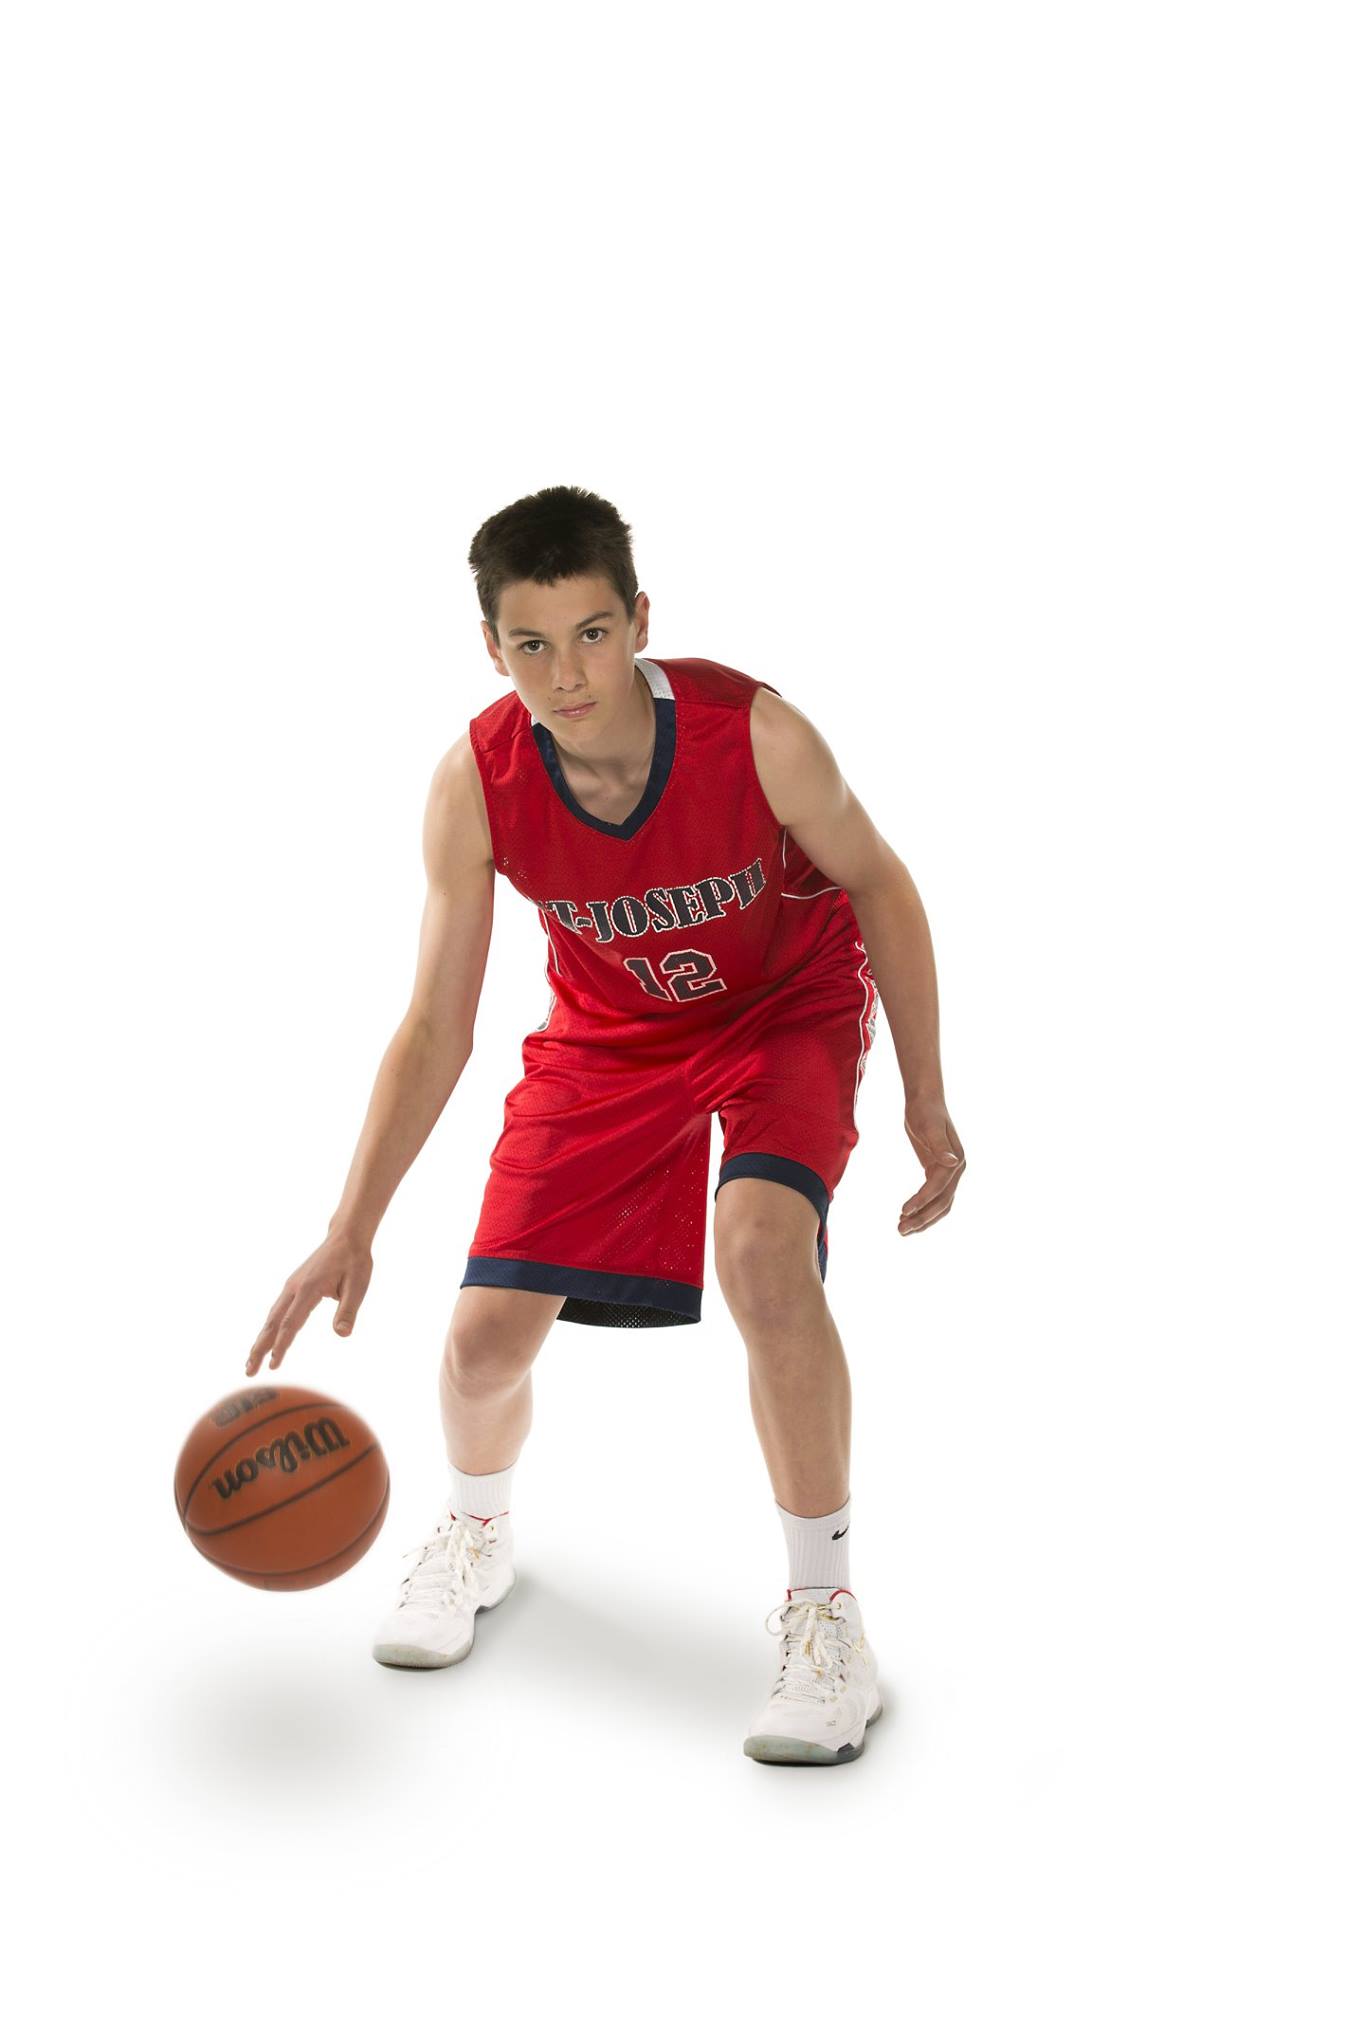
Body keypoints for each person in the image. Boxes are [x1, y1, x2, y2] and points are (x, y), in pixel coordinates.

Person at [245, 483, 964, 1765]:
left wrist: (925, 1096)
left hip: (782, 1008)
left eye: (590, 633)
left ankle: (826, 1616)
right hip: (609, 1037)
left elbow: (883, 884)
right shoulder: (476, 783)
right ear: (491, 647)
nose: (567, 672)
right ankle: (475, 1531)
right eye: (532, 642)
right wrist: (351, 1225)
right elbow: (434, 1025)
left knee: (762, 1255)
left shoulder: (758, 733)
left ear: (639, 618)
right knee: (480, 1348)